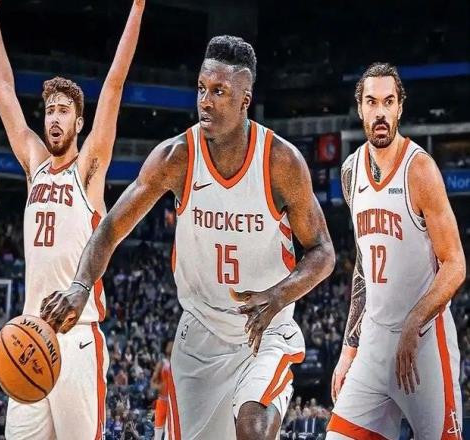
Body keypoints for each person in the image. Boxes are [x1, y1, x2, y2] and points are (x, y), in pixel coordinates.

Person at [41, 35, 335, 440]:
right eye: (201, 88)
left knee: (253, 425)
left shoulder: (280, 162)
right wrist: (79, 286)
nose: (205, 101)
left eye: (219, 92)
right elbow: (109, 228)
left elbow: (323, 251)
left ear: (245, 100)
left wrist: (279, 295)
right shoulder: (175, 158)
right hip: (200, 334)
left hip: (265, 329)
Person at [0, 0, 146, 438]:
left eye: (64, 110)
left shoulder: (87, 170)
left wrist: (138, 7)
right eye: (49, 110)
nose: (54, 117)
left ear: (79, 123)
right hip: (29, 334)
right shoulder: (35, 165)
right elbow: (3, 89)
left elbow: (113, 86)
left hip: (77, 335)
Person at [327, 63, 465, 439]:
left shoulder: (420, 170)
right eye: (372, 102)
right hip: (374, 342)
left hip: (423, 342)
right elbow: (363, 265)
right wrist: (349, 348)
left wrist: (413, 321)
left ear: (400, 107)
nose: (381, 112)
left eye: (389, 102)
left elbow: (455, 264)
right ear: (360, 108)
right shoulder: (350, 171)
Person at [150, 340, 173, 440]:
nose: (171, 345)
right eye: (170, 344)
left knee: (169, 432)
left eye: (173, 344)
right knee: (158, 434)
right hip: (162, 400)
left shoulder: (177, 364)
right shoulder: (162, 363)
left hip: (172, 403)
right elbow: (152, 382)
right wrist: (159, 387)